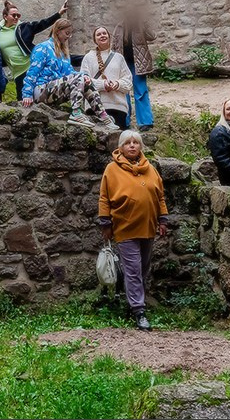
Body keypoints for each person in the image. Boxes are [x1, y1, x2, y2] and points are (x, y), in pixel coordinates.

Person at [97, 129, 169, 331]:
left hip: (148, 226)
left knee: (143, 268)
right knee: (133, 269)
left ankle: (132, 303)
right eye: (127, 142)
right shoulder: (112, 169)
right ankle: (139, 311)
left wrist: (162, 219)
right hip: (125, 226)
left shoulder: (150, 169)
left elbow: (160, 196)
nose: (131, 146)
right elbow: (104, 197)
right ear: (120, 147)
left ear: (140, 147)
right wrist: (105, 223)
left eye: (135, 142)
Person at [21, 18, 120, 133]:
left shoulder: (64, 53)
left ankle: (103, 116)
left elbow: (70, 73)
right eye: (67, 33)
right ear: (58, 31)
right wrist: (27, 94)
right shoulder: (42, 48)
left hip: (56, 90)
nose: (69, 36)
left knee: (85, 79)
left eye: (70, 34)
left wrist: (84, 77)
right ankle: (76, 113)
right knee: (79, 78)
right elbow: (32, 72)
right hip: (41, 90)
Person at [0, 0, 68, 101]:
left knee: (39, 98)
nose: (16, 17)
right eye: (14, 15)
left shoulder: (23, 27)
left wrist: (59, 14)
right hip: (17, 72)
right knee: (22, 101)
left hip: (31, 66)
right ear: (5, 16)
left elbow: (42, 24)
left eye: (18, 15)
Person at [111, 7, 157, 131]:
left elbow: (152, 36)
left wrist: (144, 22)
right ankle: (124, 121)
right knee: (124, 92)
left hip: (139, 64)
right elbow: (114, 46)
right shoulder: (119, 27)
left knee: (141, 92)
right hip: (123, 65)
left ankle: (145, 122)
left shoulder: (140, 25)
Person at [79, 26, 133, 129]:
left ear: (109, 36)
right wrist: (103, 85)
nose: (102, 36)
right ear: (95, 40)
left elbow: (128, 81)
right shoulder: (88, 57)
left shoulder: (119, 58)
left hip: (118, 107)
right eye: (98, 34)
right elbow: (83, 81)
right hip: (94, 107)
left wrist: (117, 84)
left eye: (104, 33)